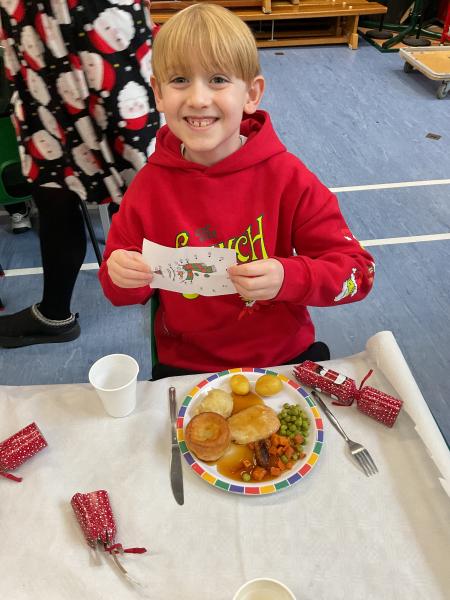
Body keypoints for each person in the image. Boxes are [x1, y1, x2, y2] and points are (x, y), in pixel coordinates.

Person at [99, 3, 375, 379]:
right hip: (187, 367)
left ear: (251, 93)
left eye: (217, 79)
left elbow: (358, 274)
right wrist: (122, 275)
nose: (198, 99)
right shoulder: (148, 188)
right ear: (158, 94)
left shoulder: (287, 178)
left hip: (282, 358)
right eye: (179, 80)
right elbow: (116, 289)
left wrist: (289, 277)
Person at [0, 0, 159, 348]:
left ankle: (176, 297)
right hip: (37, 39)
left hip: (102, 29)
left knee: (140, 174)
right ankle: (54, 314)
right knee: (52, 182)